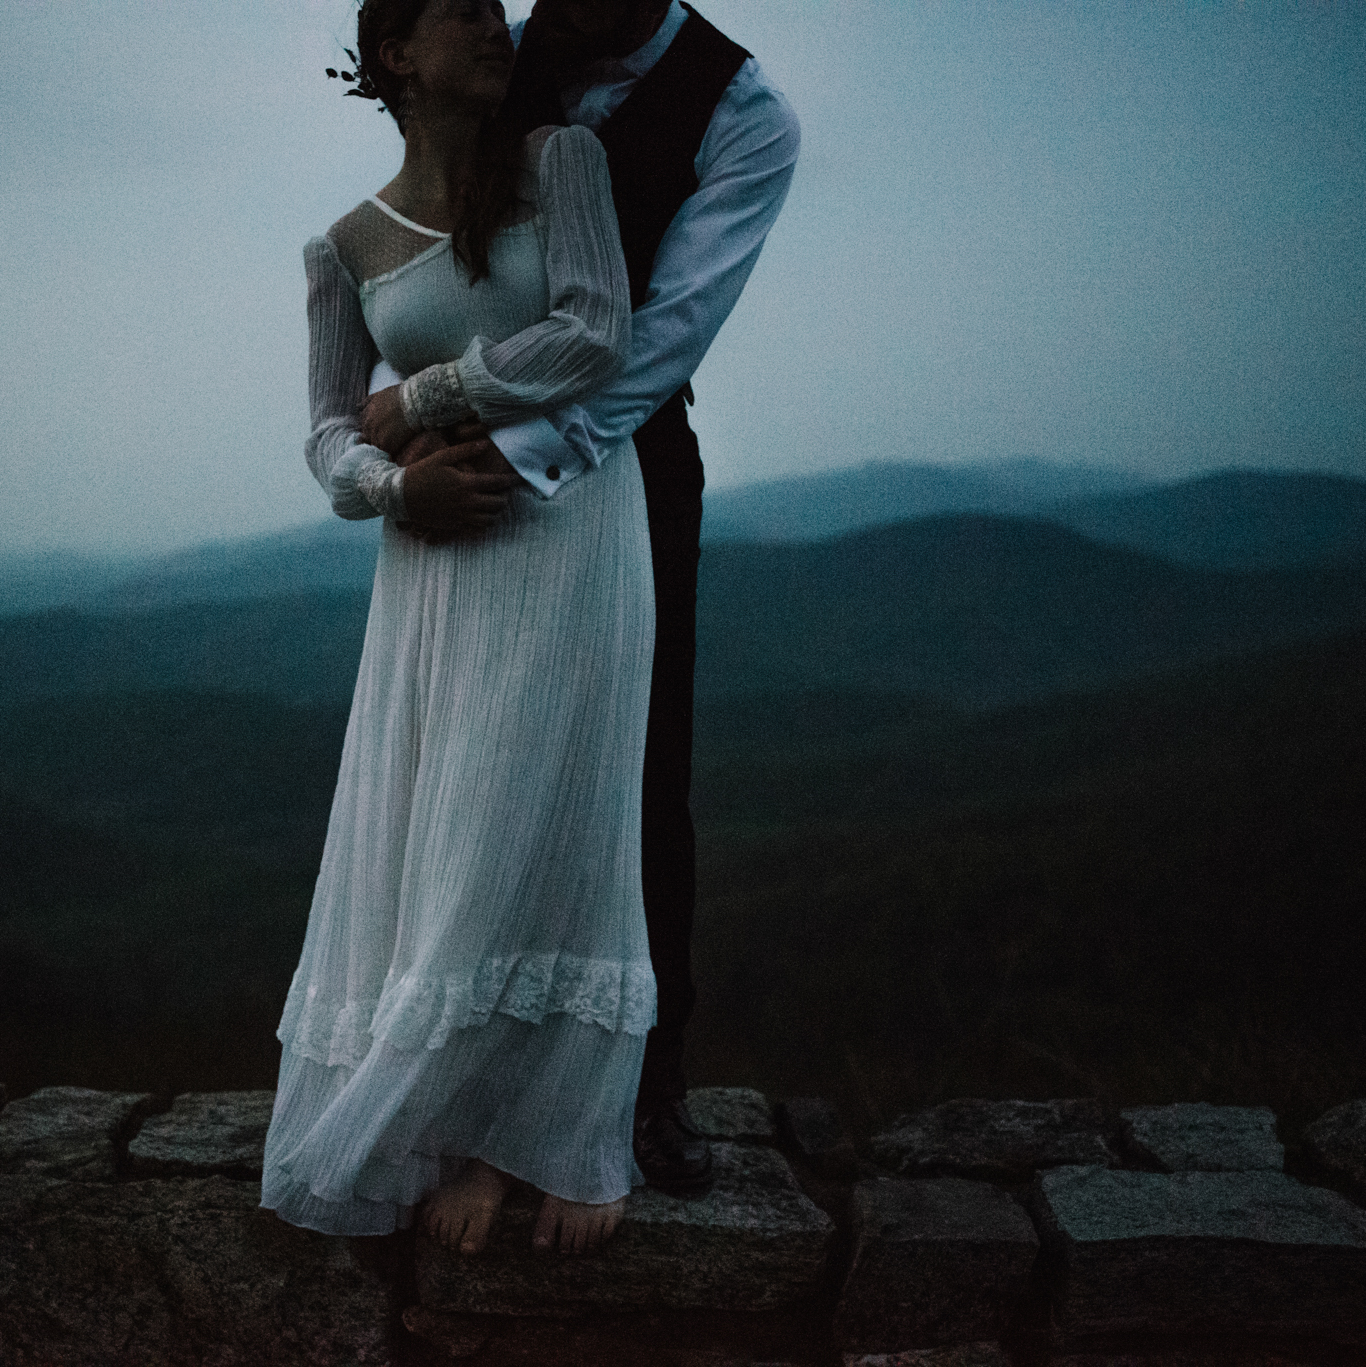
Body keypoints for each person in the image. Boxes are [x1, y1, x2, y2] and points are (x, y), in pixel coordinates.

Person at [378, 0, 801, 1193]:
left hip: (625, 462)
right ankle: (456, 1075)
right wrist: (407, 438)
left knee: (637, 768)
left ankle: (641, 1084)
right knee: (465, 761)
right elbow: (414, 238)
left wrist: (513, 451)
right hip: (447, 451)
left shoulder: (744, 112)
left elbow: (667, 331)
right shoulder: (498, 52)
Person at [260, 0, 655, 1255]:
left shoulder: (561, 164)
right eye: (465, 15)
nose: (500, 28)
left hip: (568, 532)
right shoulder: (343, 246)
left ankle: (543, 1137)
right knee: (446, 824)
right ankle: (451, 1123)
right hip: (430, 566)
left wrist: (422, 397)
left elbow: (597, 330)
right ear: (393, 55)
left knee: (547, 807)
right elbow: (328, 434)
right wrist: (396, 486)